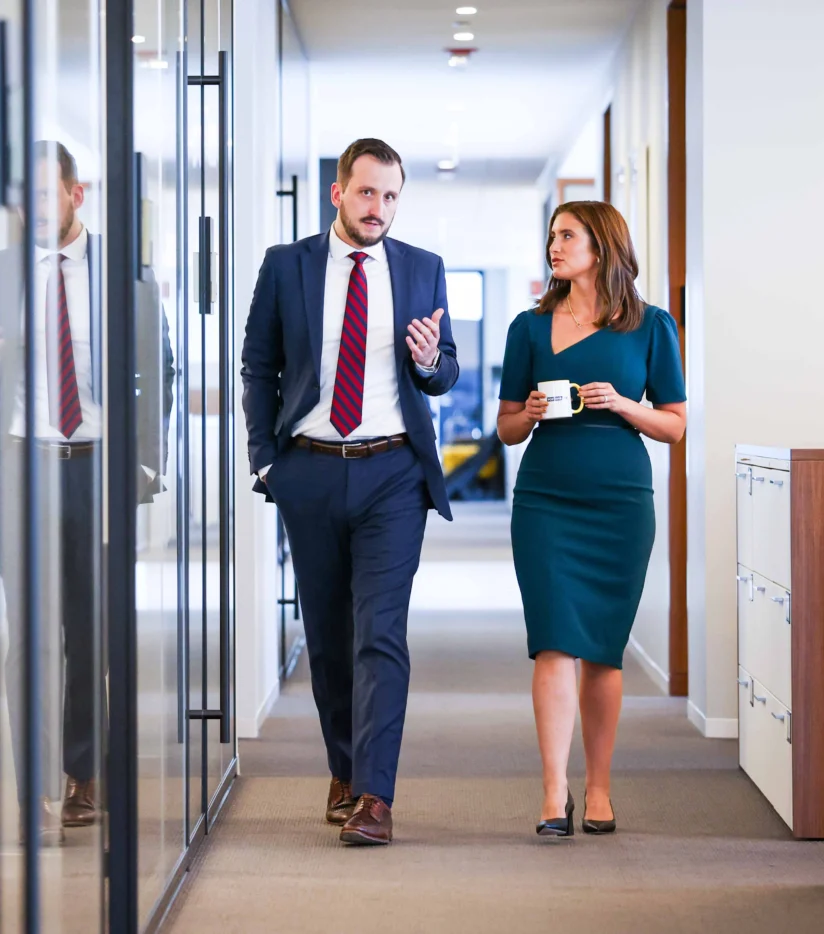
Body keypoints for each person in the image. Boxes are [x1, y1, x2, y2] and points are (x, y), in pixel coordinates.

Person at [241, 138, 459, 846]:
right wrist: (269, 462)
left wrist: (431, 362)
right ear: (338, 192)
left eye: (392, 196)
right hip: (308, 467)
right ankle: (343, 767)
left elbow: (444, 368)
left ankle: (374, 795)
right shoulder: (287, 266)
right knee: (329, 638)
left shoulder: (422, 269)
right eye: (368, 193)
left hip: (393, 473)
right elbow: (258, 366)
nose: (380, 209)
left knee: (381, 634)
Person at [0, 140, 174, 845]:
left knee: (88, 631)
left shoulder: (124, 273)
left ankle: (83, 774)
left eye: (47, 195)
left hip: (97, 465)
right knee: (32, 635)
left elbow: (158, 371)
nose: (35, 210)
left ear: (77, 194)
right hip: (22, 464)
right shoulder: (6, 272)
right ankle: (37, 788)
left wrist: (141, 469)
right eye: (24, 198)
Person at [497, 201, 686, 838]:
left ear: (601, 246)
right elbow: (505, 431)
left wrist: (627, 406)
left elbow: (676, 426)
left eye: (567, 235)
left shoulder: (652, 326)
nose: (554, 246)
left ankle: (598, 789)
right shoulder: (529, 327)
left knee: (603, 652)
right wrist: (526, 411)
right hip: (546, 501)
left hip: (620, 505)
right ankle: (554, 792)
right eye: (551, 235)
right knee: (552, 641)